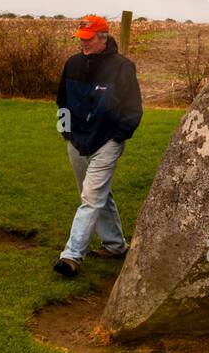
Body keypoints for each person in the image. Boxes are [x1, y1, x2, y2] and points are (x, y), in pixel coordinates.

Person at [53, 14, 142, 277]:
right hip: (77, 141)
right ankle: (116, 246)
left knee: (91, 198)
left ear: (103, 38)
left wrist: (118, 137)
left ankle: (71, 256)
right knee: (97, 195)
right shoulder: (72, 64)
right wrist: (65, 132)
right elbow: (62, 102)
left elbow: (133, 107)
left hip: (107, 142)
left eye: (88, 39)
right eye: (80, 39)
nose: (83, 44)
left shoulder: (122, 67)